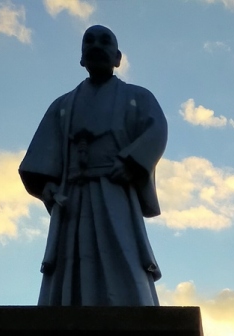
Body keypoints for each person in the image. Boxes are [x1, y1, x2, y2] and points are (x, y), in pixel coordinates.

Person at [19, 24, 167, 306]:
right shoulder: (63, 106)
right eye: (89, 41)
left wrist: (132, 163)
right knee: (70, 256)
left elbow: (156, 130)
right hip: (71, 196)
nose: (96, 46)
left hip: (115, 188)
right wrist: (47, 185)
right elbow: (44, 150)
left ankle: (129, 307)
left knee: (121, 247)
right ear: (81, 57)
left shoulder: (138, 98)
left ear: (118, 58)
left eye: (104, 41)